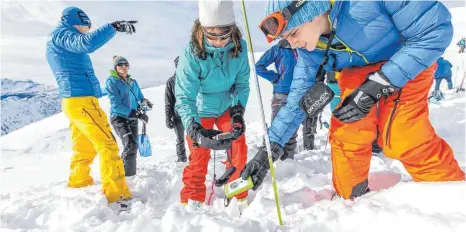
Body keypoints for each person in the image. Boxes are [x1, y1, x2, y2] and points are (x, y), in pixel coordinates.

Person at [242, 0, 465, 200]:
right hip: (358, 73)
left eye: (294, 34)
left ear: (310, 10)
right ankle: (351, 202)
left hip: (407, 61)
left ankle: (450, 195)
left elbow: (435, 30)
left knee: (402, 136)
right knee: (347, 133)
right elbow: (298, 100)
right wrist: (268, 151)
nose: (291, 44)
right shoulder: (312, 50)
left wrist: (378, 85)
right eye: (285, 39)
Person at [45, 6, 138, 208]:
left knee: (84, 147)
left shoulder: (58, 38)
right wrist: (114, 27)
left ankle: (79, 182)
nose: (89, 29)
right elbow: (87, 44)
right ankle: (118, 195)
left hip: (74, 101)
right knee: (108, 144)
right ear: (80, 21)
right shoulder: (64, 35)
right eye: (88, 25)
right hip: (82, 101)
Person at [175, 0, 250, 207]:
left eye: (223, 35)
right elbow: (184, 95)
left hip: (227, 106)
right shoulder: (191, 52)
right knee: (199, 153)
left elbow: (242, 84)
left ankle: (238, 195)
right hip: (200, 111)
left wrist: (237, 112)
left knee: (238, 146)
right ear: (202, 29)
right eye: (211, 35)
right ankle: (192, 199)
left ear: (232, 29)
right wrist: (193, 127)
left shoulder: (240, 49)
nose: (218, 41)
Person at [256, 39, 317, 155]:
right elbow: (259, 66)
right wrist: (275, 78)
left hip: (301, 94)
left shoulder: (305, 48)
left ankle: (288, 162)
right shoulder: (278, 49)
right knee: (276, 130)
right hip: (282, 95)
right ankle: (267, 159)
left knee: (291, 132)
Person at [105, 56, 152, 177]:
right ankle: (125, 177)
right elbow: (116, 105)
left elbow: (140, 98)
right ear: (115, 67)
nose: (123, 67)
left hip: (132, 118)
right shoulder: (112, 82)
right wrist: (135, 113)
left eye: (125, 64)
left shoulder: (133, 82)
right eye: (120, 64)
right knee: (130, 144)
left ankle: (129, 175)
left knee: (133, 146)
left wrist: (145, 102)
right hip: (119, 118)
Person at [165, 56, 187, 162]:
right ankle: (181, 159)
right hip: (177, 115)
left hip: (192, 113)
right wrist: (168, 117)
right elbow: (168, 101)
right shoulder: (171, 81)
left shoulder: (192, 78)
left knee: (197, 136)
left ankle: (200, 156)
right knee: (180, 138)